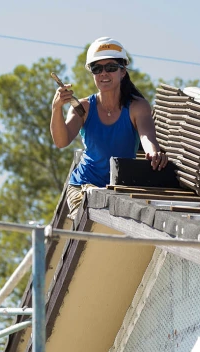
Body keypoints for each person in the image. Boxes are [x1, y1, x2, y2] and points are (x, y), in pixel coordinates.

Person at [50, 36, 168, 219]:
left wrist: (153, 153)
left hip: (119, 187)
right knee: (95, 210)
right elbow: (61, 141)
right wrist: (56, 108)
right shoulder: (83, 108)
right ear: (92, 74)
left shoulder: (137, 107)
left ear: (122, 72)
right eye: (97, 69)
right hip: (84, 186)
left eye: (111, 67)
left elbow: (147, 136)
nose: (104, 73)